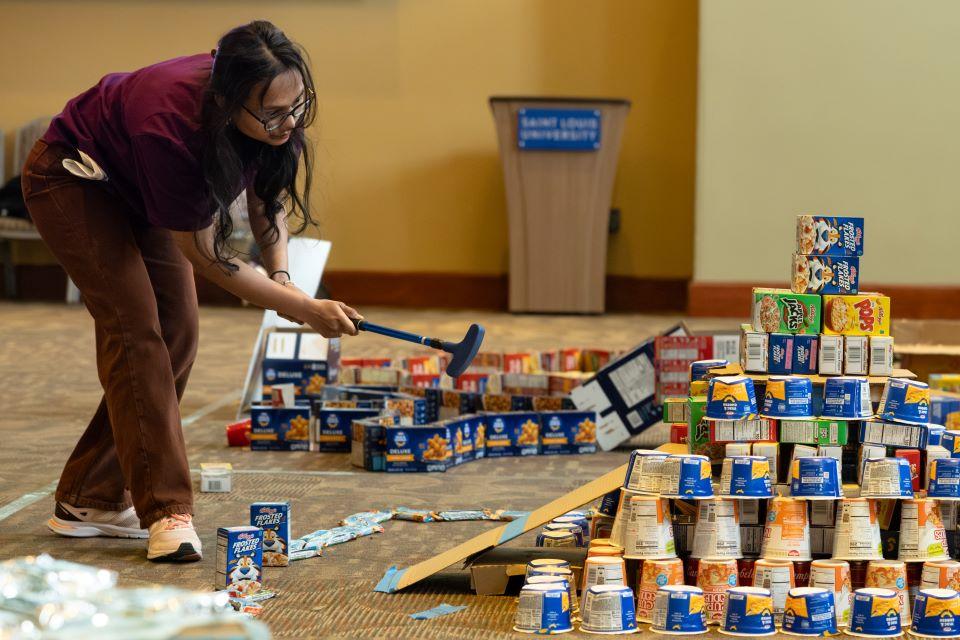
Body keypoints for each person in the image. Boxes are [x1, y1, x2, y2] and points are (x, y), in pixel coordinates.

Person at [20, 21, 359, 562]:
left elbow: (268, 203)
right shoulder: (170, 128)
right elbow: (211, 258)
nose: (289, 121)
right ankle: (167, 511)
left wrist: (283, 279)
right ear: (226, 103)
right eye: (272, 113)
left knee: (179, 328)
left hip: (136, 186)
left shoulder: (274, 107)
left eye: (299, 104)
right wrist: (303, 309)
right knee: (136, 330)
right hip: (72, 178)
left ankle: (89, 498)